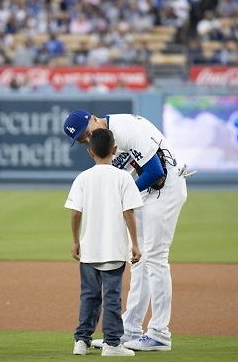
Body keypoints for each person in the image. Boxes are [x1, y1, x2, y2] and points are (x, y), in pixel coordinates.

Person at [63, 109, 190, 352]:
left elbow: (155, 172)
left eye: (86, 134)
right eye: (82, 140)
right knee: (138, 259)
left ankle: (159, 333)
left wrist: (123, 196)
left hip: (166, 187)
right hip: (147, 191)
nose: (87, 140)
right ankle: (129, 330)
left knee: (155, 257)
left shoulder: (127, 129)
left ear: (93, 119)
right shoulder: (106, 140)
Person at [66, 128, 143, 357]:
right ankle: (111, 344)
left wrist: (75, 241)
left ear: (90, 152)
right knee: (112, 297)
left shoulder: (82, 178)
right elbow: (128, 212)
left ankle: (81, 341)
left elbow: (75, 214)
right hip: (114, 249)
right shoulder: (123, 177)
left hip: (89, 248)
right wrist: (135, 244)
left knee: (89, 296)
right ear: (115, 150)